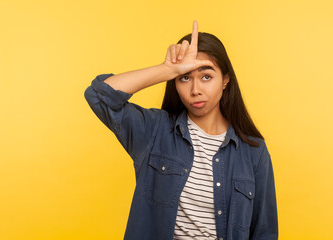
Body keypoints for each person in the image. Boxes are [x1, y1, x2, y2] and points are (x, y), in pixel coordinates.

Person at [84, 20, 278, 240]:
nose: (195, 90)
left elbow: (265, 232)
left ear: (225, 80)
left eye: (206, 76)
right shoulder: (155, 131)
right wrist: (167, 69)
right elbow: (99, 95)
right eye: (185, 78)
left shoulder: (253, 151)